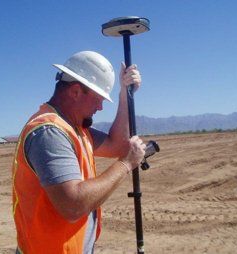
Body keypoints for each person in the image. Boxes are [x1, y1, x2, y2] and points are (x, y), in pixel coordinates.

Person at [12, 51, 146, 254]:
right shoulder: (49, 133)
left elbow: (118, 145)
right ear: (75, 92)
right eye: (98, 99)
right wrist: (126, 164)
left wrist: (125, 95)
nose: (100, 107)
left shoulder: (75, 129)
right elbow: (73, 205)